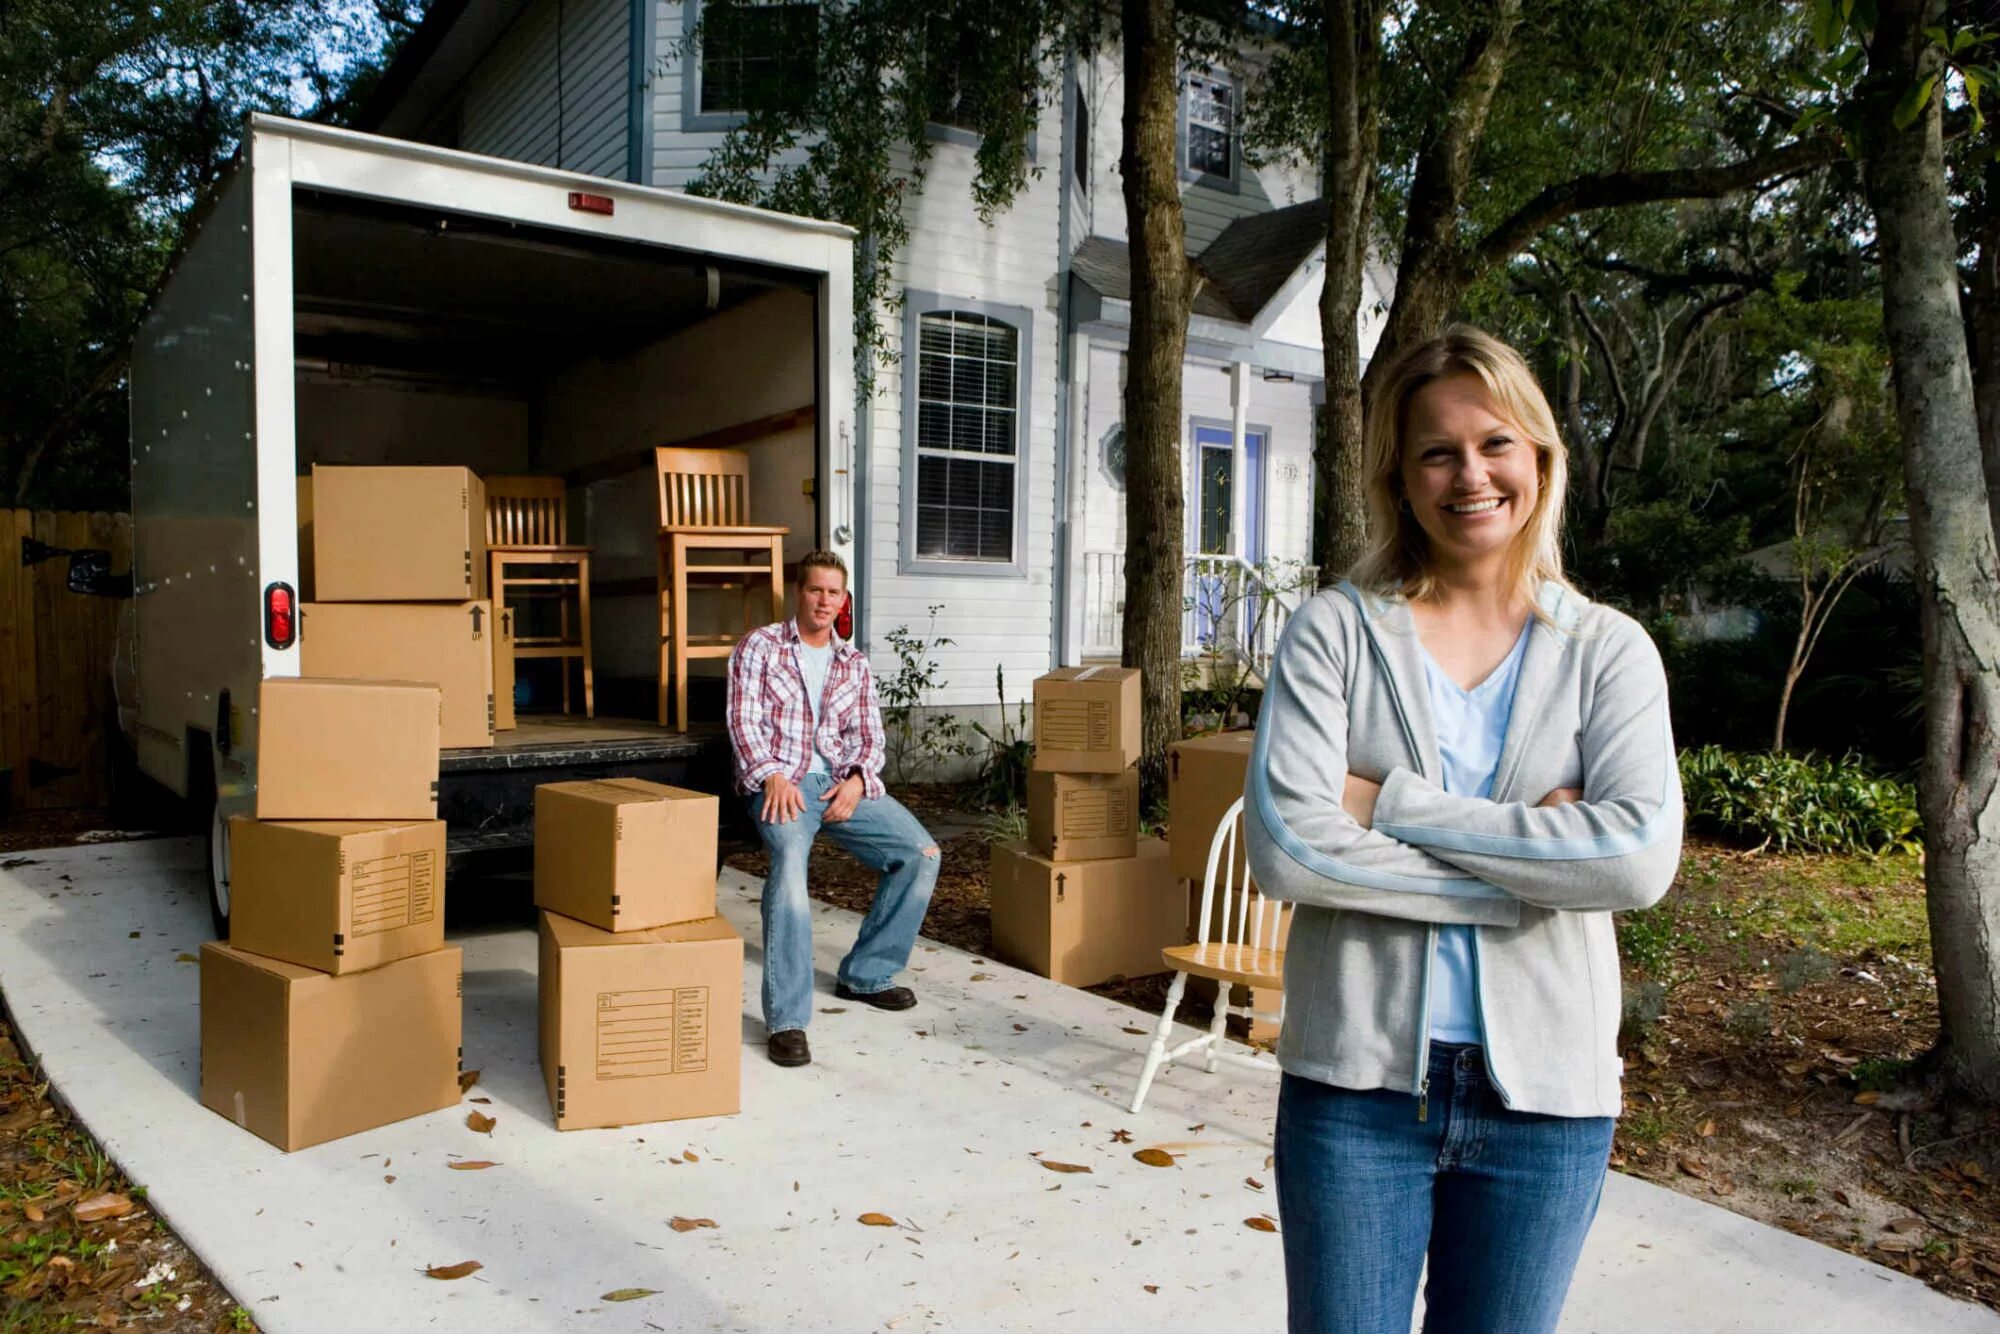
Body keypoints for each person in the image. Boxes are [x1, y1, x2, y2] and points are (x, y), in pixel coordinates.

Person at [1243, 326, 1683, 1334]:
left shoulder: (1607, 651)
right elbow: (1289, 847)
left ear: (1537, 457)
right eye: (1435, 450)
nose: (1468, 474)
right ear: (1398, 475)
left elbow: (1631, 858)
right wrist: (1534, 868)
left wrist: (1387, 802)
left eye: (1493, 443)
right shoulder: (1335, 631)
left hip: (1548, 1107)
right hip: (1354, 1093)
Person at [725, 549, 940, 1068]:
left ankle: (867, 974)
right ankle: (788, 1020)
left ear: (844, 600)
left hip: (839, 785)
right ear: (798, 593)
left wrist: (857, 780)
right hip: (782, 783)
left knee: (921, 853)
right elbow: (743, 721)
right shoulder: (760, 647)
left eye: (834, 593)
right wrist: (772, 775)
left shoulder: (854, 662)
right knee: (791, 872)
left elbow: (869, 737)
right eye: (816, 589)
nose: (825, 600)